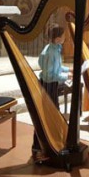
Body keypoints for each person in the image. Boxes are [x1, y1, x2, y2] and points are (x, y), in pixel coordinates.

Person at [32, 23, 72, 161]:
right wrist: (66, 77)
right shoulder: (49, 52)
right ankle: (38, 148)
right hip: (48, 85)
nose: (65, 37)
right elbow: (50, 75)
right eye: (63, 36)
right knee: (45, 116)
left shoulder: (55, 48)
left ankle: (53, 142)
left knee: (53, 113)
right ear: (57, 38)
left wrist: (69, 71)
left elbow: (58, 67)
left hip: (52, 85)